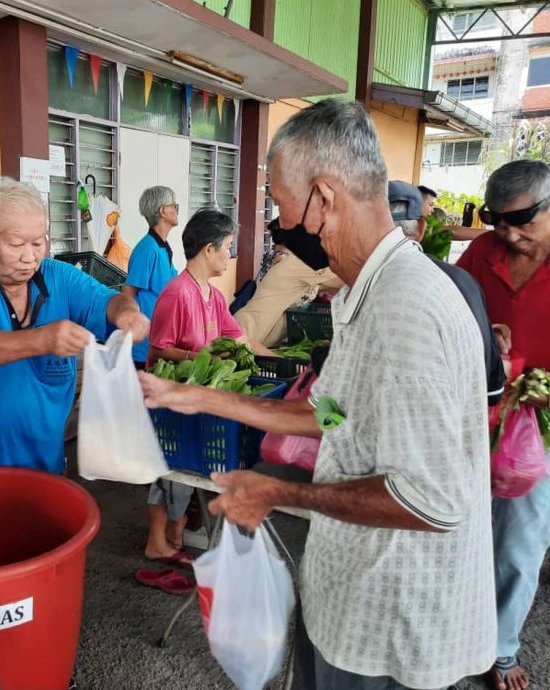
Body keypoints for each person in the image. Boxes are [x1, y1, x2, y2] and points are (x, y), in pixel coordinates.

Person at [140, 99, 496, 690]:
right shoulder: (372, 290)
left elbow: (430, 502)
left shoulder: (404, 307)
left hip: (388, 624)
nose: (280, 227)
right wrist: (205, 400)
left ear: (324, 198)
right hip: (350, 601)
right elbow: (334, 413)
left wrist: (274, 491)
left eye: (282, 206)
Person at [0, 177, 148, 473]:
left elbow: (108, 300)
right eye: (17, 244)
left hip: (45, 465)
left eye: (38, 242)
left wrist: (128, 314)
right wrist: (42, 340)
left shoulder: (59, 277)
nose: (30, 257)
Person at [456, 160, 550, 690]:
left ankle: (501, 649)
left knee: (520, 540)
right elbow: (455, 306)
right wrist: (481, 327)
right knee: (459, 524)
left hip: (539, 426)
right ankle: (455, 628)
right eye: (497, 222)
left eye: (523, 222)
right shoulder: (483, 253)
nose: (509, 235)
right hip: (478, 413)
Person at [142, 209, 270, 567]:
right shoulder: (177, 293)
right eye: (228, 247)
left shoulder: (212, 296)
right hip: (170, 396)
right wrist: (200, 356)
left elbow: (239, 338)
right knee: (169, 470)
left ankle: (177, 534)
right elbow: (157, 348)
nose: (230, 255)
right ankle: (157, 541)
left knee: (190, 469)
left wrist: (276, 358)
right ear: (209, 249)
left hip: (197, 397)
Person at [389, 180, 505, 405]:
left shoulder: (356, 285)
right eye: (428, 204)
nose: (431, 208)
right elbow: (491, 391)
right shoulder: (460, 282)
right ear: (421, 228)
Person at [234, 217, 342, 347]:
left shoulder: (305, 266)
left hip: (264, 339)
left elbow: (335, 286)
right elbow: (347, 281)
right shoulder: (302, 262)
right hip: (248, 332)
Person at [122, 185, 180, 368]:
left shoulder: (161, 247)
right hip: (144, 346)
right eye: (174, 206)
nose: (177, 210)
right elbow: (128, 293)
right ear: (163, 211)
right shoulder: (147, 249)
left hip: (161, 338)